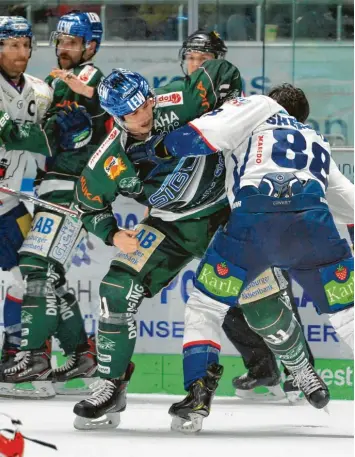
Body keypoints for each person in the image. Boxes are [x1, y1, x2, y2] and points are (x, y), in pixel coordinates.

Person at [128, 84, 354, 432]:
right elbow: (348, 204)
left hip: (253, 226)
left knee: (205, 307)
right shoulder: (317, 141)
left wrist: (154, 148)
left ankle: (198, 395)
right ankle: (301, 371)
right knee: (348, 318)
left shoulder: (258, 106)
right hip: (314, 229)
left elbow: (201, 136)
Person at [71, 58, 245, 430]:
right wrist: (113, 234)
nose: (142, 114)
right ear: (114, 116)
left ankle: (298, 370)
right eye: (130, 112)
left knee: (262, 295)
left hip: (222, 216)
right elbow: (89, 206)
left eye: (144, 103)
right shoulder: (108, 159)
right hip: (168, 228)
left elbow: (223, 73)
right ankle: (111, 383)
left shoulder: (178, 101)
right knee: (116, 290)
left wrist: (231, 115)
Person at [182, 31, 316, 404]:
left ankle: (299, 373)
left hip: (251, 214)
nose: (196, 65)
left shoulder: (240, 103)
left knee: (273, 293)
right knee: (221, 298)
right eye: (191, 58)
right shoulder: (182, 104)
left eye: (204, 59)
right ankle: (262, 368)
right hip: (208, 216)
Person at [0, 11, 107, 398]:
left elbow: (107, 116)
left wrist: (91, 103)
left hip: (74, 189)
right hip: (52, 188)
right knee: (50, 276)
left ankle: (33, 359)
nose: (64, 49)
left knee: (35, 266)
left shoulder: (93, 79)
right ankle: (83, 354)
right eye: (60, 41)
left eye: (73, 43)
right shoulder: (48, 84)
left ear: (91, 46)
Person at [0, 16, 54, 375]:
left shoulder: (41, 89)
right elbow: (15, 135)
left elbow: (39, 144)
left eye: (26, 45)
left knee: (21, 277)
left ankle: (12, 350)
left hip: (13, 202)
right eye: (12, 45)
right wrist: (50, 138)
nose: (21, 52)